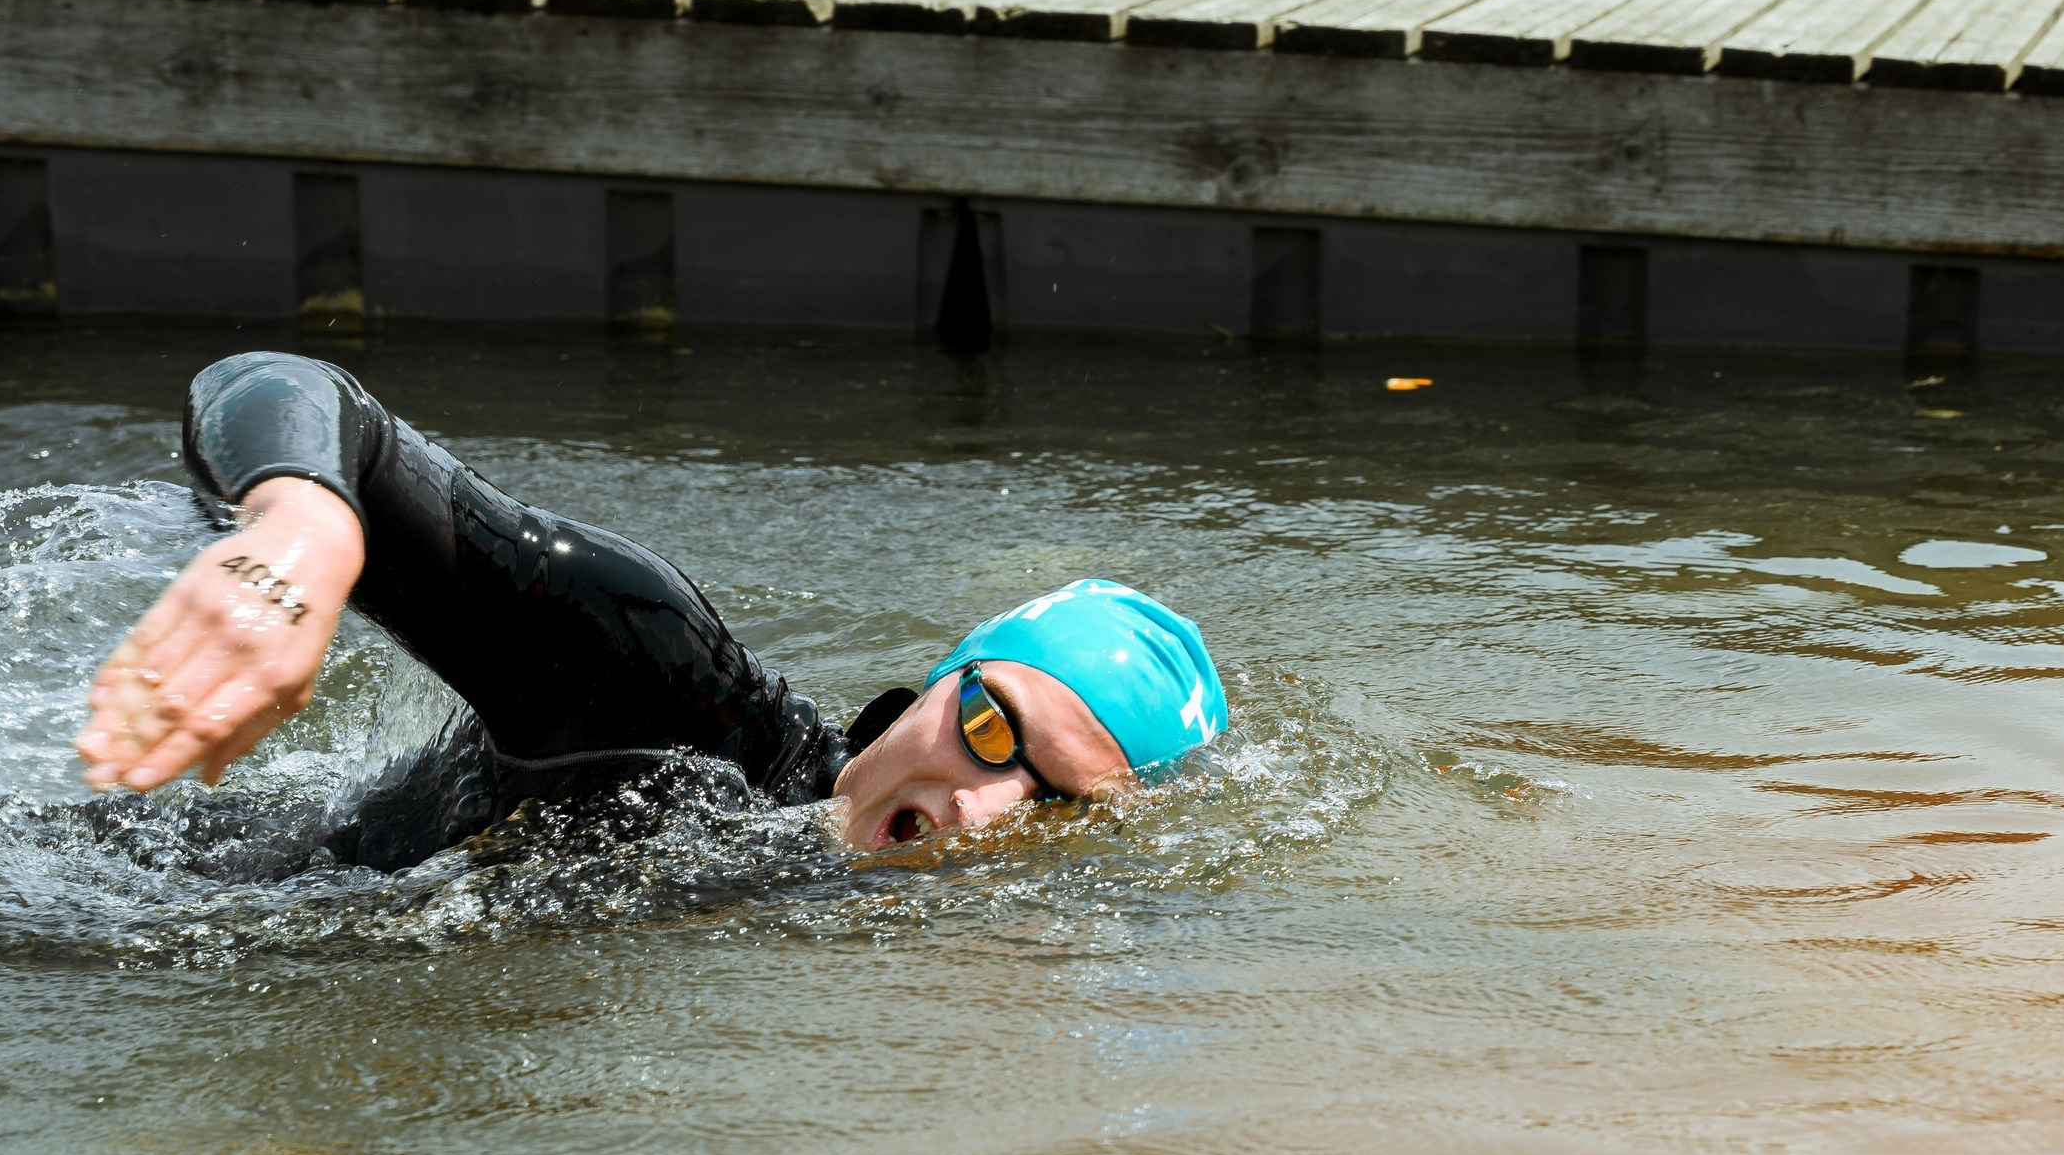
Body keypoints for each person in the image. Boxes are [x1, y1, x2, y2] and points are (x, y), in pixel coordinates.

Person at [74, 351, 1226, 871]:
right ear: (934, 684)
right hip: (113, 911)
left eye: (1063, 808)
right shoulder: (662, 693)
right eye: (988, 728)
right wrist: (300, 536)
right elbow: (284, 385)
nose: (988, 812)